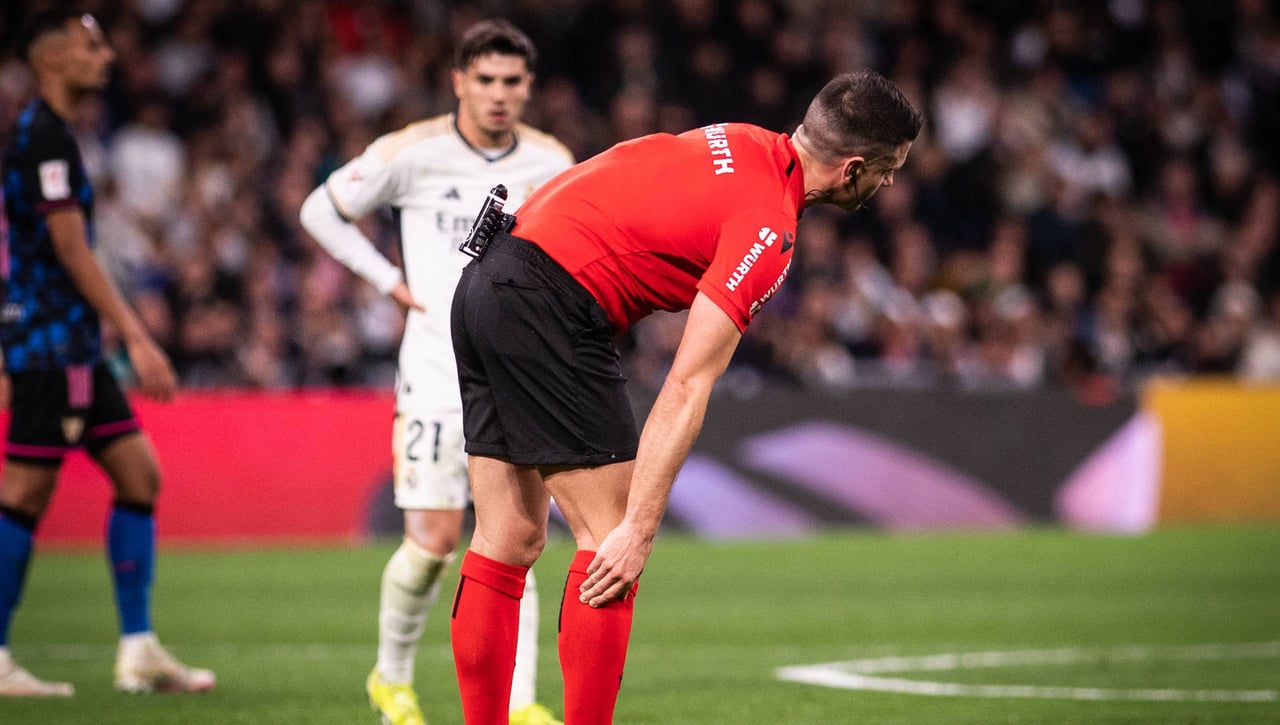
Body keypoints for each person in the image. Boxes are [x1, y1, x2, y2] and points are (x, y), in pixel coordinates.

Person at [449, 69, 923, 724]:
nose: (890, 183)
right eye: (889, 169)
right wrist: (641, 528)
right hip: (547, 302)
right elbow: (688, 381)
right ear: (851, 169)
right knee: (610, 542)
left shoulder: (741, 140)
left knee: (507, 536)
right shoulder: (769, 226)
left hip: (486, 277)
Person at [299, 19, 572, 725]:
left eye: (513, 81)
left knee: (517, 536)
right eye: (485, 79)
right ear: (458, 82)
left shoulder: (551, 162)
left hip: (516, 376)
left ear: (529, 87)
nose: (499, 94)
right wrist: (388, 279)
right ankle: (390, 679)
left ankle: (520, 702)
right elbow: (319, 210)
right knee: (432, 541)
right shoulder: (412, 152)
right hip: (432, 372)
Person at [0, 8, 215, 696]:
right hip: (51, 347)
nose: (107, 57)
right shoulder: (44, 140)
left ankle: (139, 648)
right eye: (91, 46)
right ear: (53, 57)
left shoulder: (58, 134)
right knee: (24, 492)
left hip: (74, 351)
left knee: (138, 474)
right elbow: (69, 249)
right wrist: (138, 335)